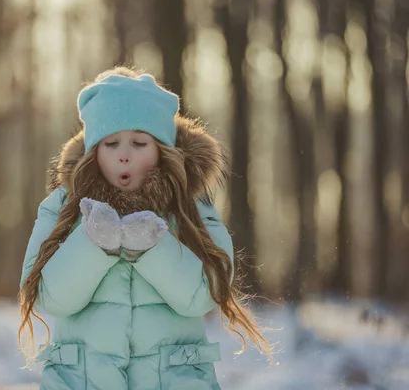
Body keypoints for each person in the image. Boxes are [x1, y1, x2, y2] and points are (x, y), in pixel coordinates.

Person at [18, 67, 272, 390]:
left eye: (139, 143)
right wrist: (93, 244)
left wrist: (153, 248)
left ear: (161, 149)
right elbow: (46, 295)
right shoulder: (65, 206)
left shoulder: (189, 206)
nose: (124, 156)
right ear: (94, 152)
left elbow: (205, 294)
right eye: (111, 144)